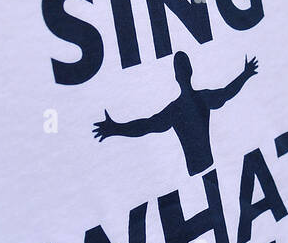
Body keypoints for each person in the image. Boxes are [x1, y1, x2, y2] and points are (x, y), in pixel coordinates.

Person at [93, 51, 258, 175]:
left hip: (196, 170)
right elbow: (227, 93)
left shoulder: (176, 109)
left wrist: (116, 128)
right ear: (190, 71)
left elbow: (146, 126)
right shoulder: (202, 98)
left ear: (176, 76)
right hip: (207, 167)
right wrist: (246, 74)